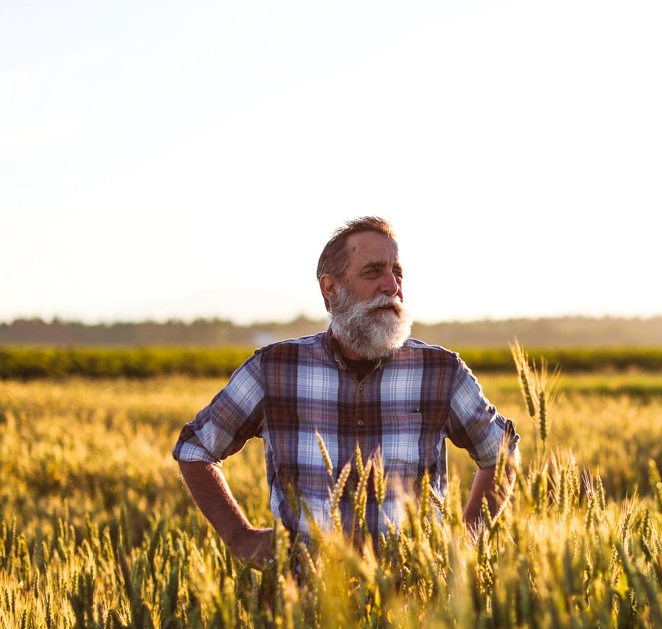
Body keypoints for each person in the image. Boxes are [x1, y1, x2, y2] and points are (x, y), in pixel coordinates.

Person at [173, 216, 519, 567]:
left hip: (413, 610)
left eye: (397, 273)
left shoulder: (439, 372)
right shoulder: (275, 369)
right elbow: (195, 447)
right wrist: (239, 536)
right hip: (305, 605)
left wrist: (463, 545)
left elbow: (502, 454)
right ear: (330, 287)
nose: (392, 286)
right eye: (373, 272)